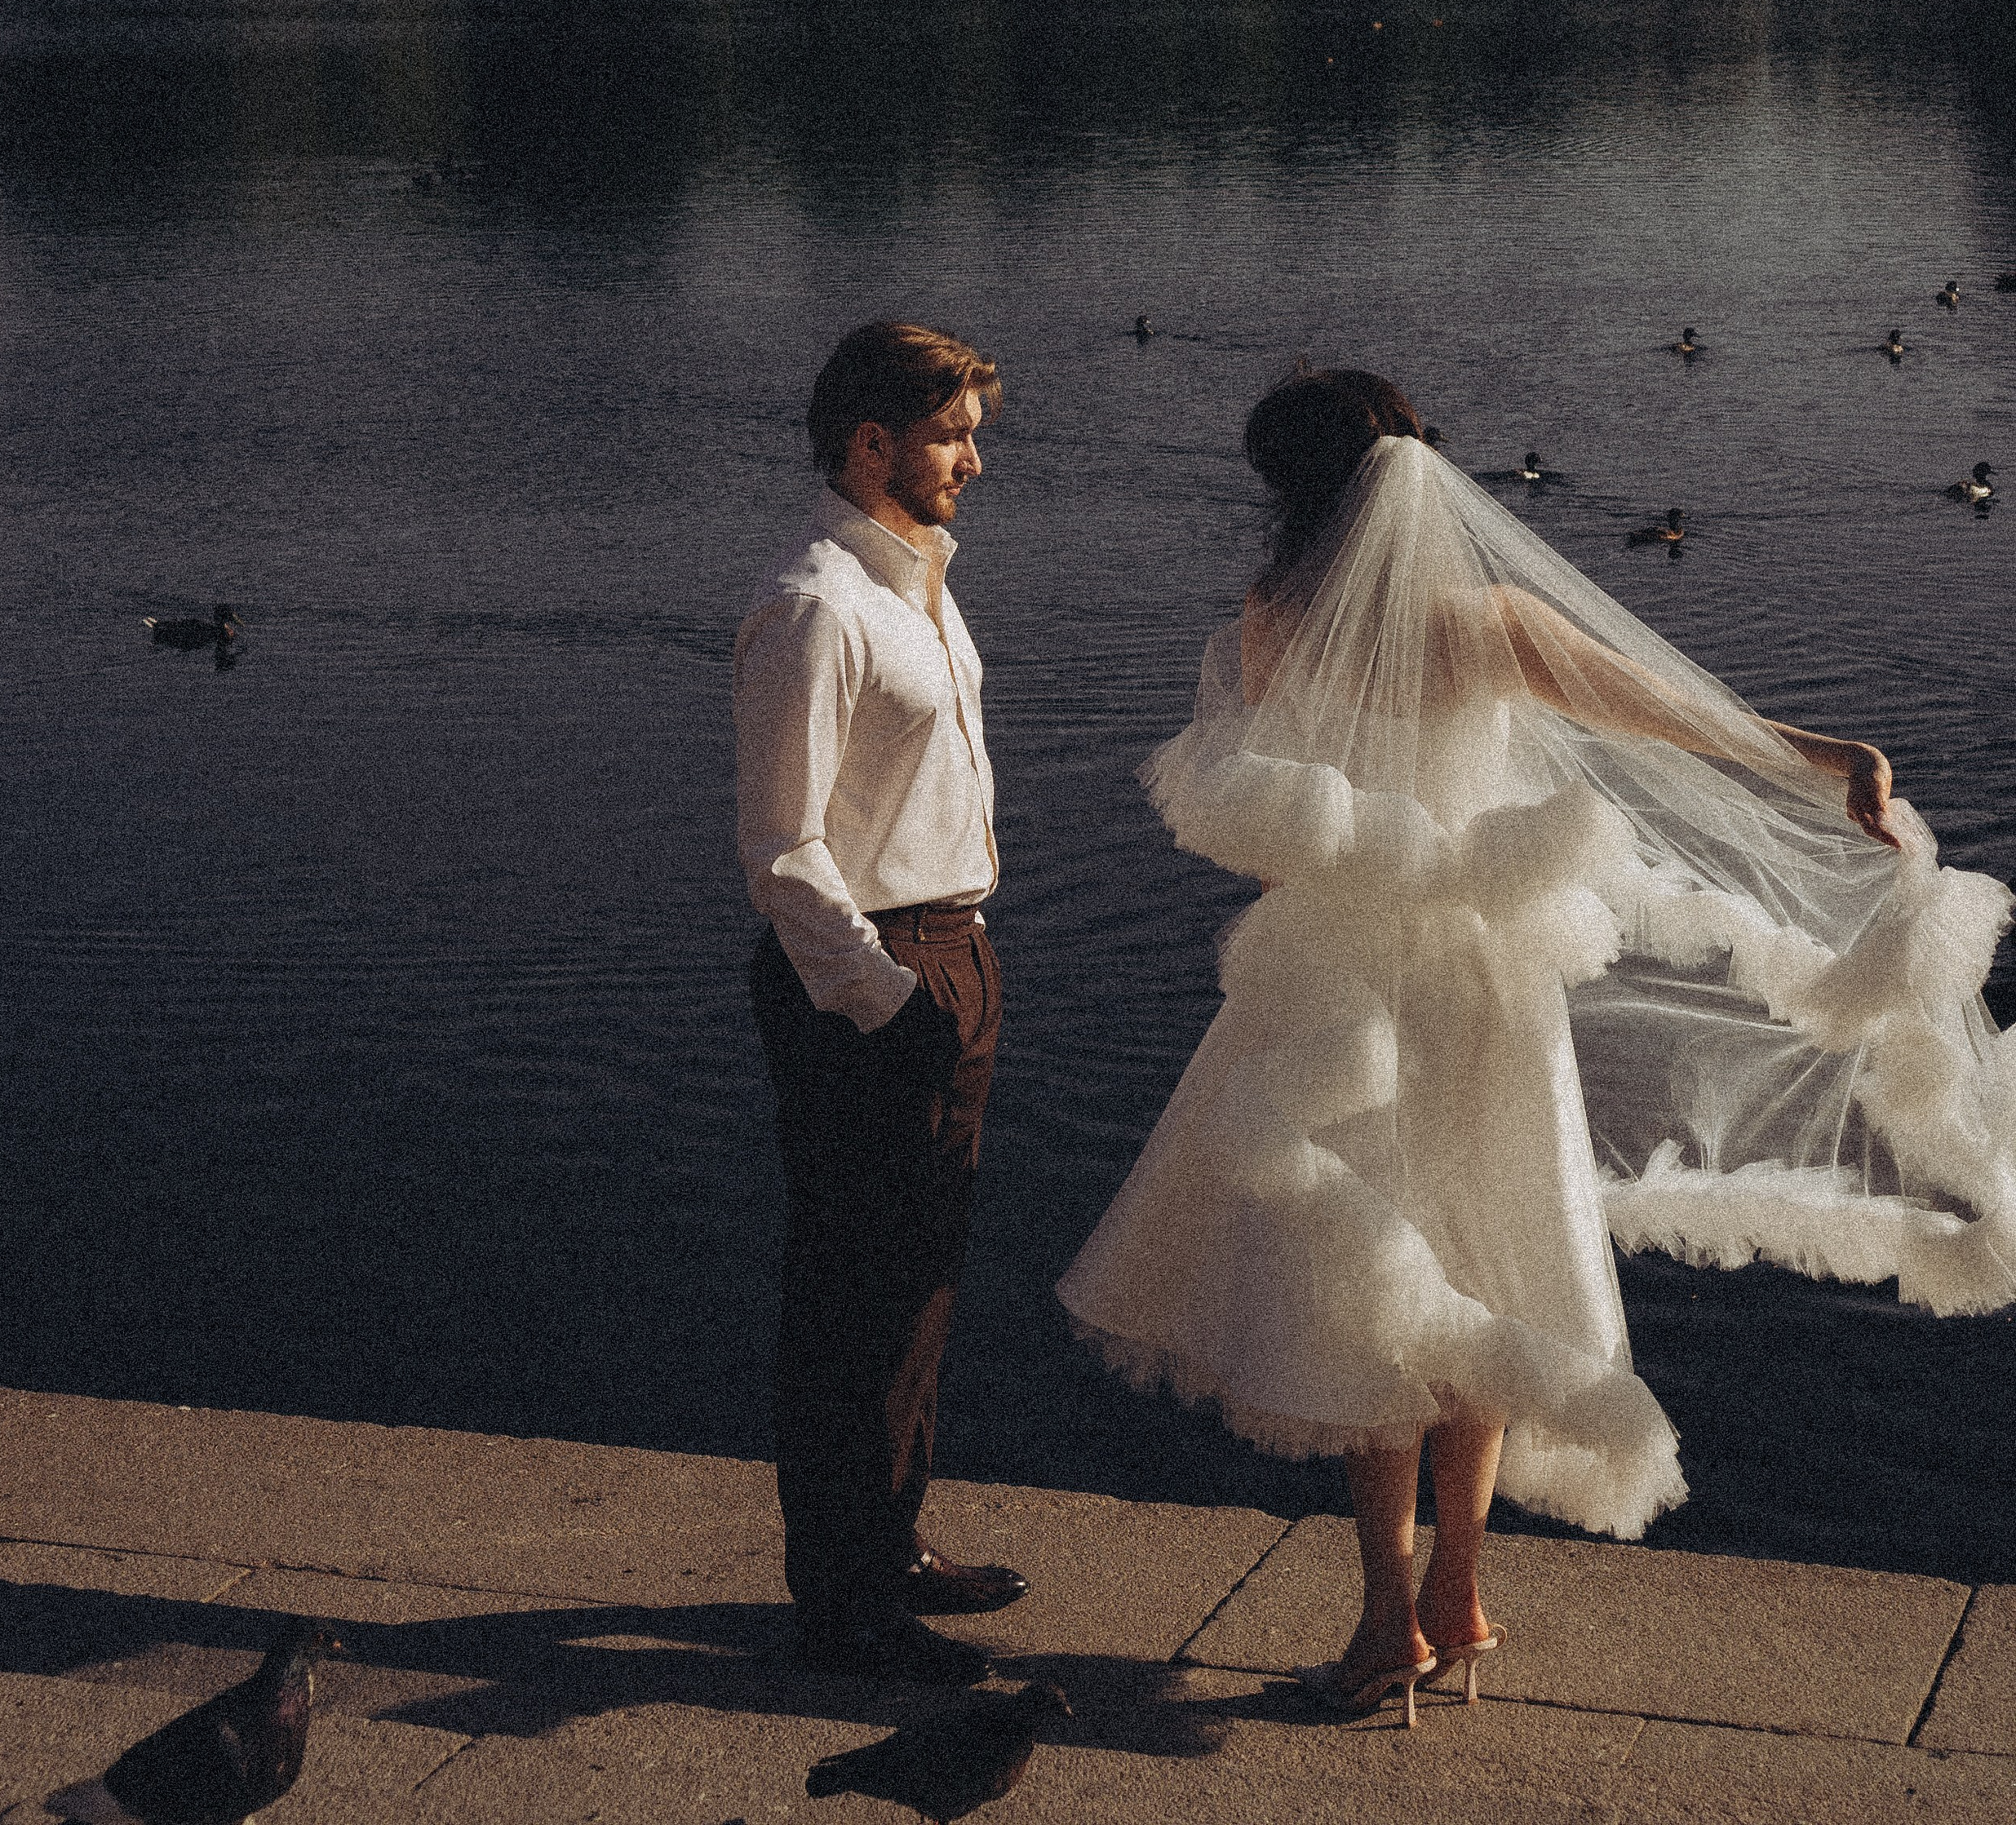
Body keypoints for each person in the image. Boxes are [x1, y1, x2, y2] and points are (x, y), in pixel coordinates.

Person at [1059, 370, 2016, 1726]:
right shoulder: (1481, 626)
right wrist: (1827, 756)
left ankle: (1389, 1619)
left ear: (1292, 499)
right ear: (1412, 474)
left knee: (1368, 1285)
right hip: (1485, 988)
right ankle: (1456, 1592)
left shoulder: (1259, 637)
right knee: (1492, 1254)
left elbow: (1268, 839)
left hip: (1330, 994)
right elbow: (1672, 718)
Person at [736, 319, 1027, 1685]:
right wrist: (887, 997)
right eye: (952, 431)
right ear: (872, 445)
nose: (975, 454)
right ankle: (840, 1602)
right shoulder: (816, 607)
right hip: (872, 976)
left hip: (950, 952)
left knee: (920, 1284)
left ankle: (889, 1542)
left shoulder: (919, 584)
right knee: (851, 1291)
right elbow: (784, 852)